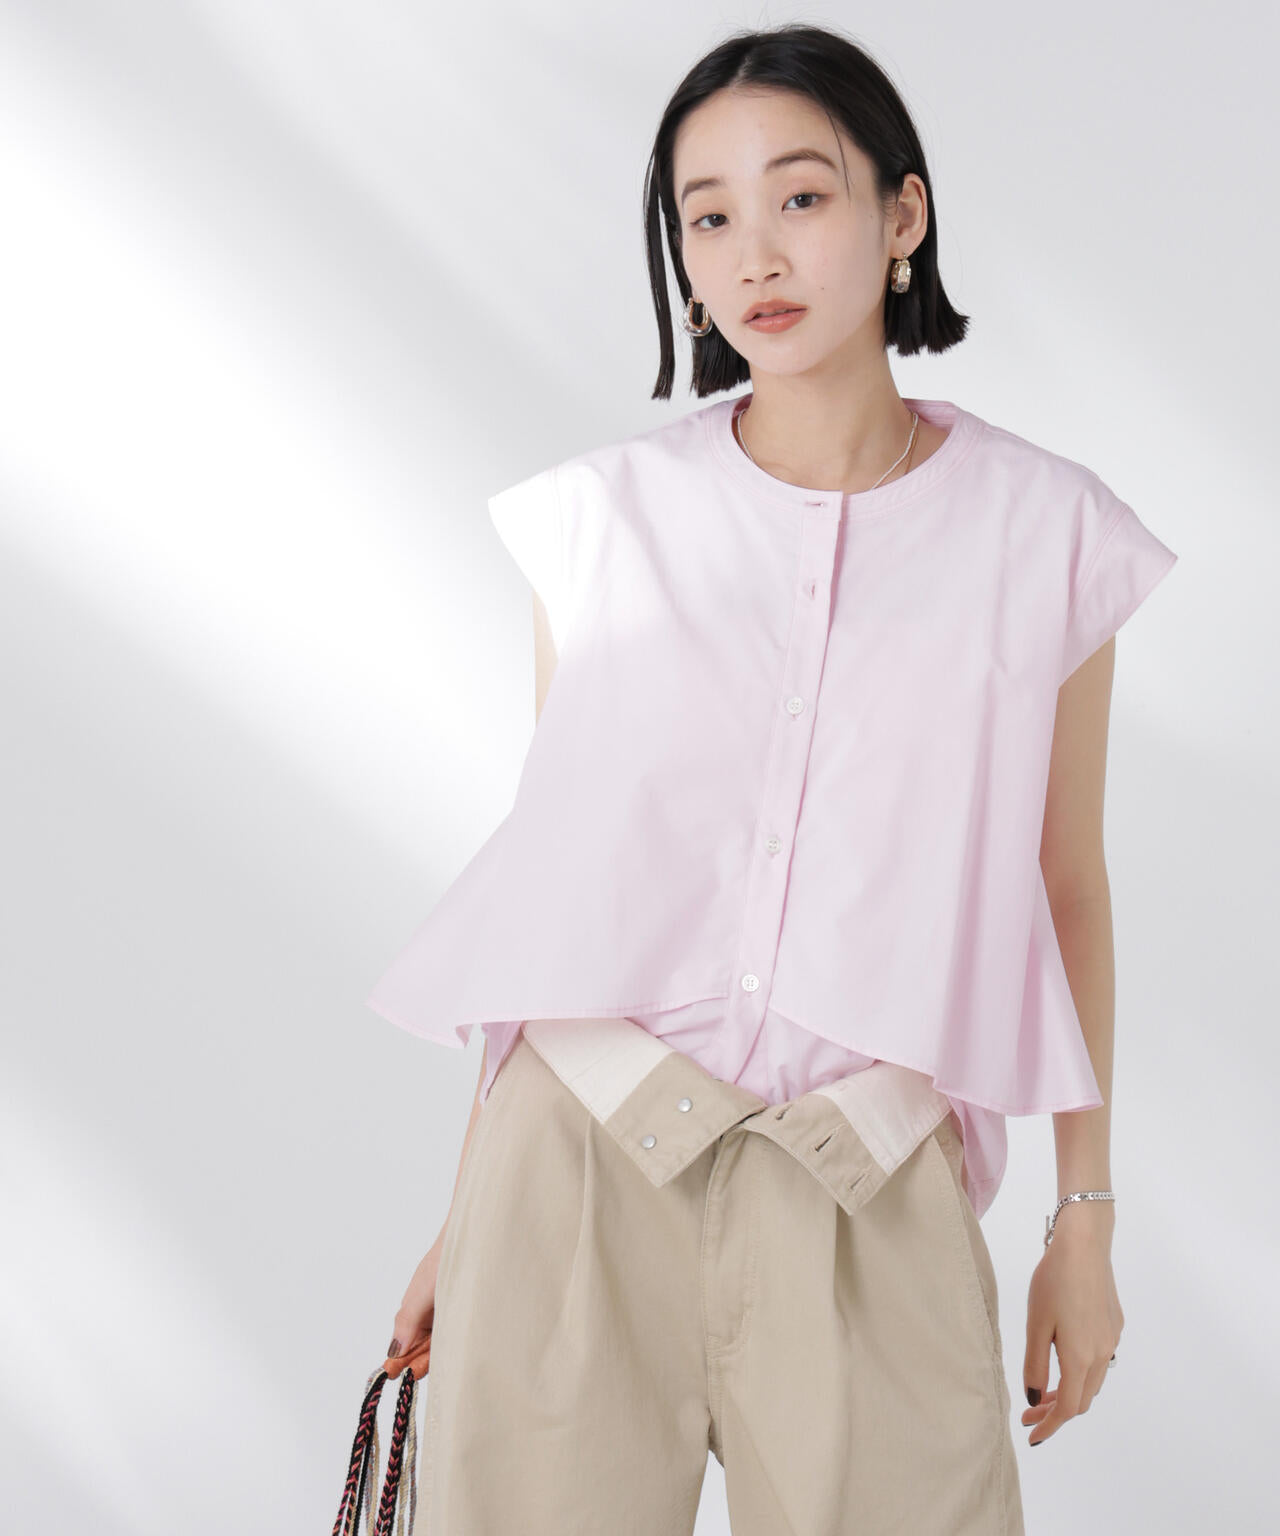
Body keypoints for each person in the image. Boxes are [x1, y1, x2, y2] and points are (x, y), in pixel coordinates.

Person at [365, 22, 1177, 1533]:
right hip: (578, 1167)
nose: (756, 255)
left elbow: (1065, 883)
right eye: (709, 216)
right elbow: (555, 900)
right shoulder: (601, 528)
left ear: (902, 213)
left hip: (873, 1180)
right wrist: (466, 1217)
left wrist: (1086, 1216)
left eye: (801, 196)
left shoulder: (1048, 535)